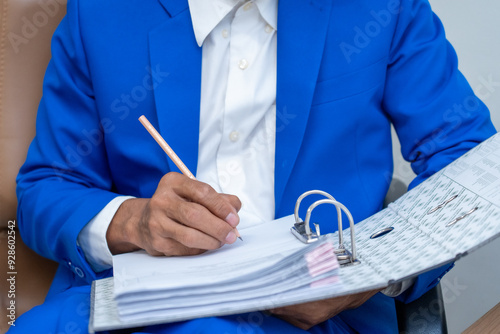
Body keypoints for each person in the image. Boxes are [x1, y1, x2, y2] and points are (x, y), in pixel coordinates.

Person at [12, 0, 496, 333]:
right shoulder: (101, 13)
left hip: (316, 317)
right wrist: (133, 222)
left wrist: (369, 270)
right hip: (128, 309)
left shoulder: (381, 8)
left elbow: (473, 162)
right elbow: (47, 186)